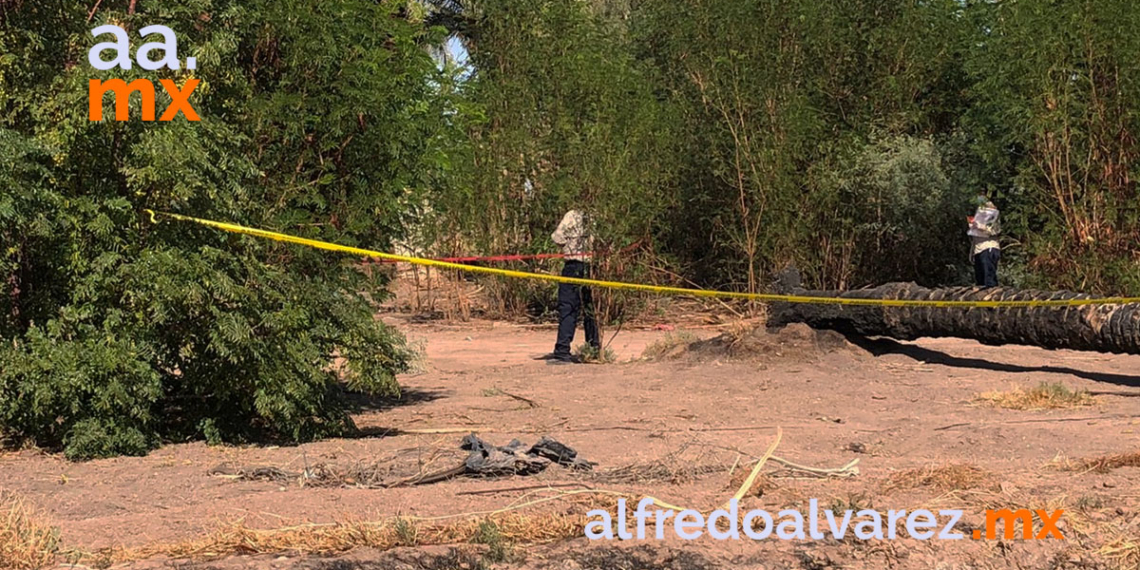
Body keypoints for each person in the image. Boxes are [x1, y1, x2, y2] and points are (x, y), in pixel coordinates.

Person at [547, 209, 600, 363]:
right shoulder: (598, 215)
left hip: (573, 265)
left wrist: (572, 244)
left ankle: (562, 350)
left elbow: (557, 237)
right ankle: (594, 348)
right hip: (592, 267)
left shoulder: (573, 214)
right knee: (590, 309)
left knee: (568, 307)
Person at [967, 196, 1001, 287]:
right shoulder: (977, 218)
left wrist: (981, 227)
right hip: (978, 251)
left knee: (989, 280)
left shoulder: (994, 218)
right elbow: (974, 239)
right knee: (980, 281)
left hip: (988, 248)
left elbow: (994, 231)